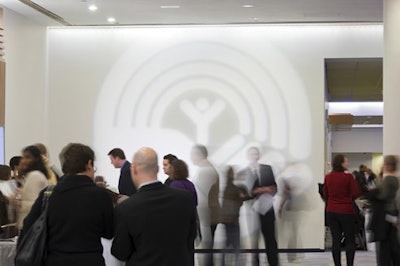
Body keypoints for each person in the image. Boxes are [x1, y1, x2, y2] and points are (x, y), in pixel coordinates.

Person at [18, 143, 114, 266]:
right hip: (90, 260)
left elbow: (28, 226)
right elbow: (109, 232)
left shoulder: (48, 194)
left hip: (55, 260)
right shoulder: (101, 195)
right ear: (89, 164)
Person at [111, 147, 196, 266]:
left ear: (134, 169)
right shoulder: (184, 199)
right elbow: (191, 236)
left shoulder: (126, 208)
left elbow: (120, 252)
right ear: (157, 169)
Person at [324, 154, 361, 266]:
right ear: (341, 163)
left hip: (331, 211)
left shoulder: (328, 177)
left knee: (336, 240)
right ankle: (349, 264)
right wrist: (348, 199)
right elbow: (356, 193)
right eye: (346, 161)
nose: (348, 163)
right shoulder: (348, 177)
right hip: (346, 211)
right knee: (350, 240)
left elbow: (325, 194)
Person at [246, 146, 279, 266]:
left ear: (259, 155)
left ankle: (273, 263)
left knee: (270, 238)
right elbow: (246, 192)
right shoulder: (246, 171)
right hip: (253, 209)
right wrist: (259, 190)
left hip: (267, 208)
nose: (254, 156)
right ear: (248, 156)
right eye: (252, 154)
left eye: (256, 154)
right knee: (254, 239)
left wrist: (266, 189)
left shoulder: (267, 169)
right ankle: (255, 263)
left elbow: (275, 188)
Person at [368, 155, 400, 266]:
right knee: (392, 242)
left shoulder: (389, 180)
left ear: (386, 166)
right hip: (391, 213)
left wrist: (373, 191)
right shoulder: (394, 179)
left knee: (385, 244)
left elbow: (382, 196)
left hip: (385, 214)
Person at [190, 144, 219, 266]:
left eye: (193, 154)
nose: (191, 157)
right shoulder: (208, 169)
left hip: (205, 212)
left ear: (199, 154)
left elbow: (202, 196)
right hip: (207, 211)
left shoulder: (205, 170)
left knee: (206, 240)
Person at [169, 158, 198, 266]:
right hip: (191, 222)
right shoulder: (190, 184)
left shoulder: (174, 185)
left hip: (179, 225)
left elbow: (174, 207)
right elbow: (195, 202)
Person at [17, 145, 50, 230]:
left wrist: (18, 204)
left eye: (28, 157)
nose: (23, 161)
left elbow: (34, 205)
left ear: (36, 159)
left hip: (31, 226)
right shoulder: (32, 175)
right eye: (23, 157)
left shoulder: (35, 176)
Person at [220, 166, 244, 266]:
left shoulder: (226, 188)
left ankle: (223, 261)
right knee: (236, 242)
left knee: (228, 240)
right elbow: (241, 199)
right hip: (233, 217)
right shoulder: (235, 188)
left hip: (226, 218)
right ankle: (237, 262)